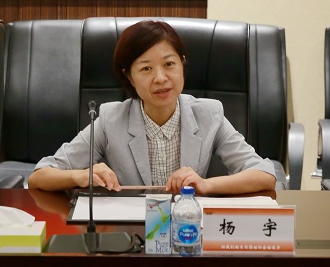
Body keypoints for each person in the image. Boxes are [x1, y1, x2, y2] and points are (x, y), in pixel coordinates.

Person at [29, 20, 277, 194]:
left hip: (188, 229)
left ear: (182, 64)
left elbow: (264, 174)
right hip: (132, 232)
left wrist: (207, 184)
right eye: (146, 68)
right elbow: (40, 175)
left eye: (169, 64)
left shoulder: (209, 114)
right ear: (129, 77)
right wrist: (80, 175)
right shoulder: (111, 119)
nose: (160, 78)